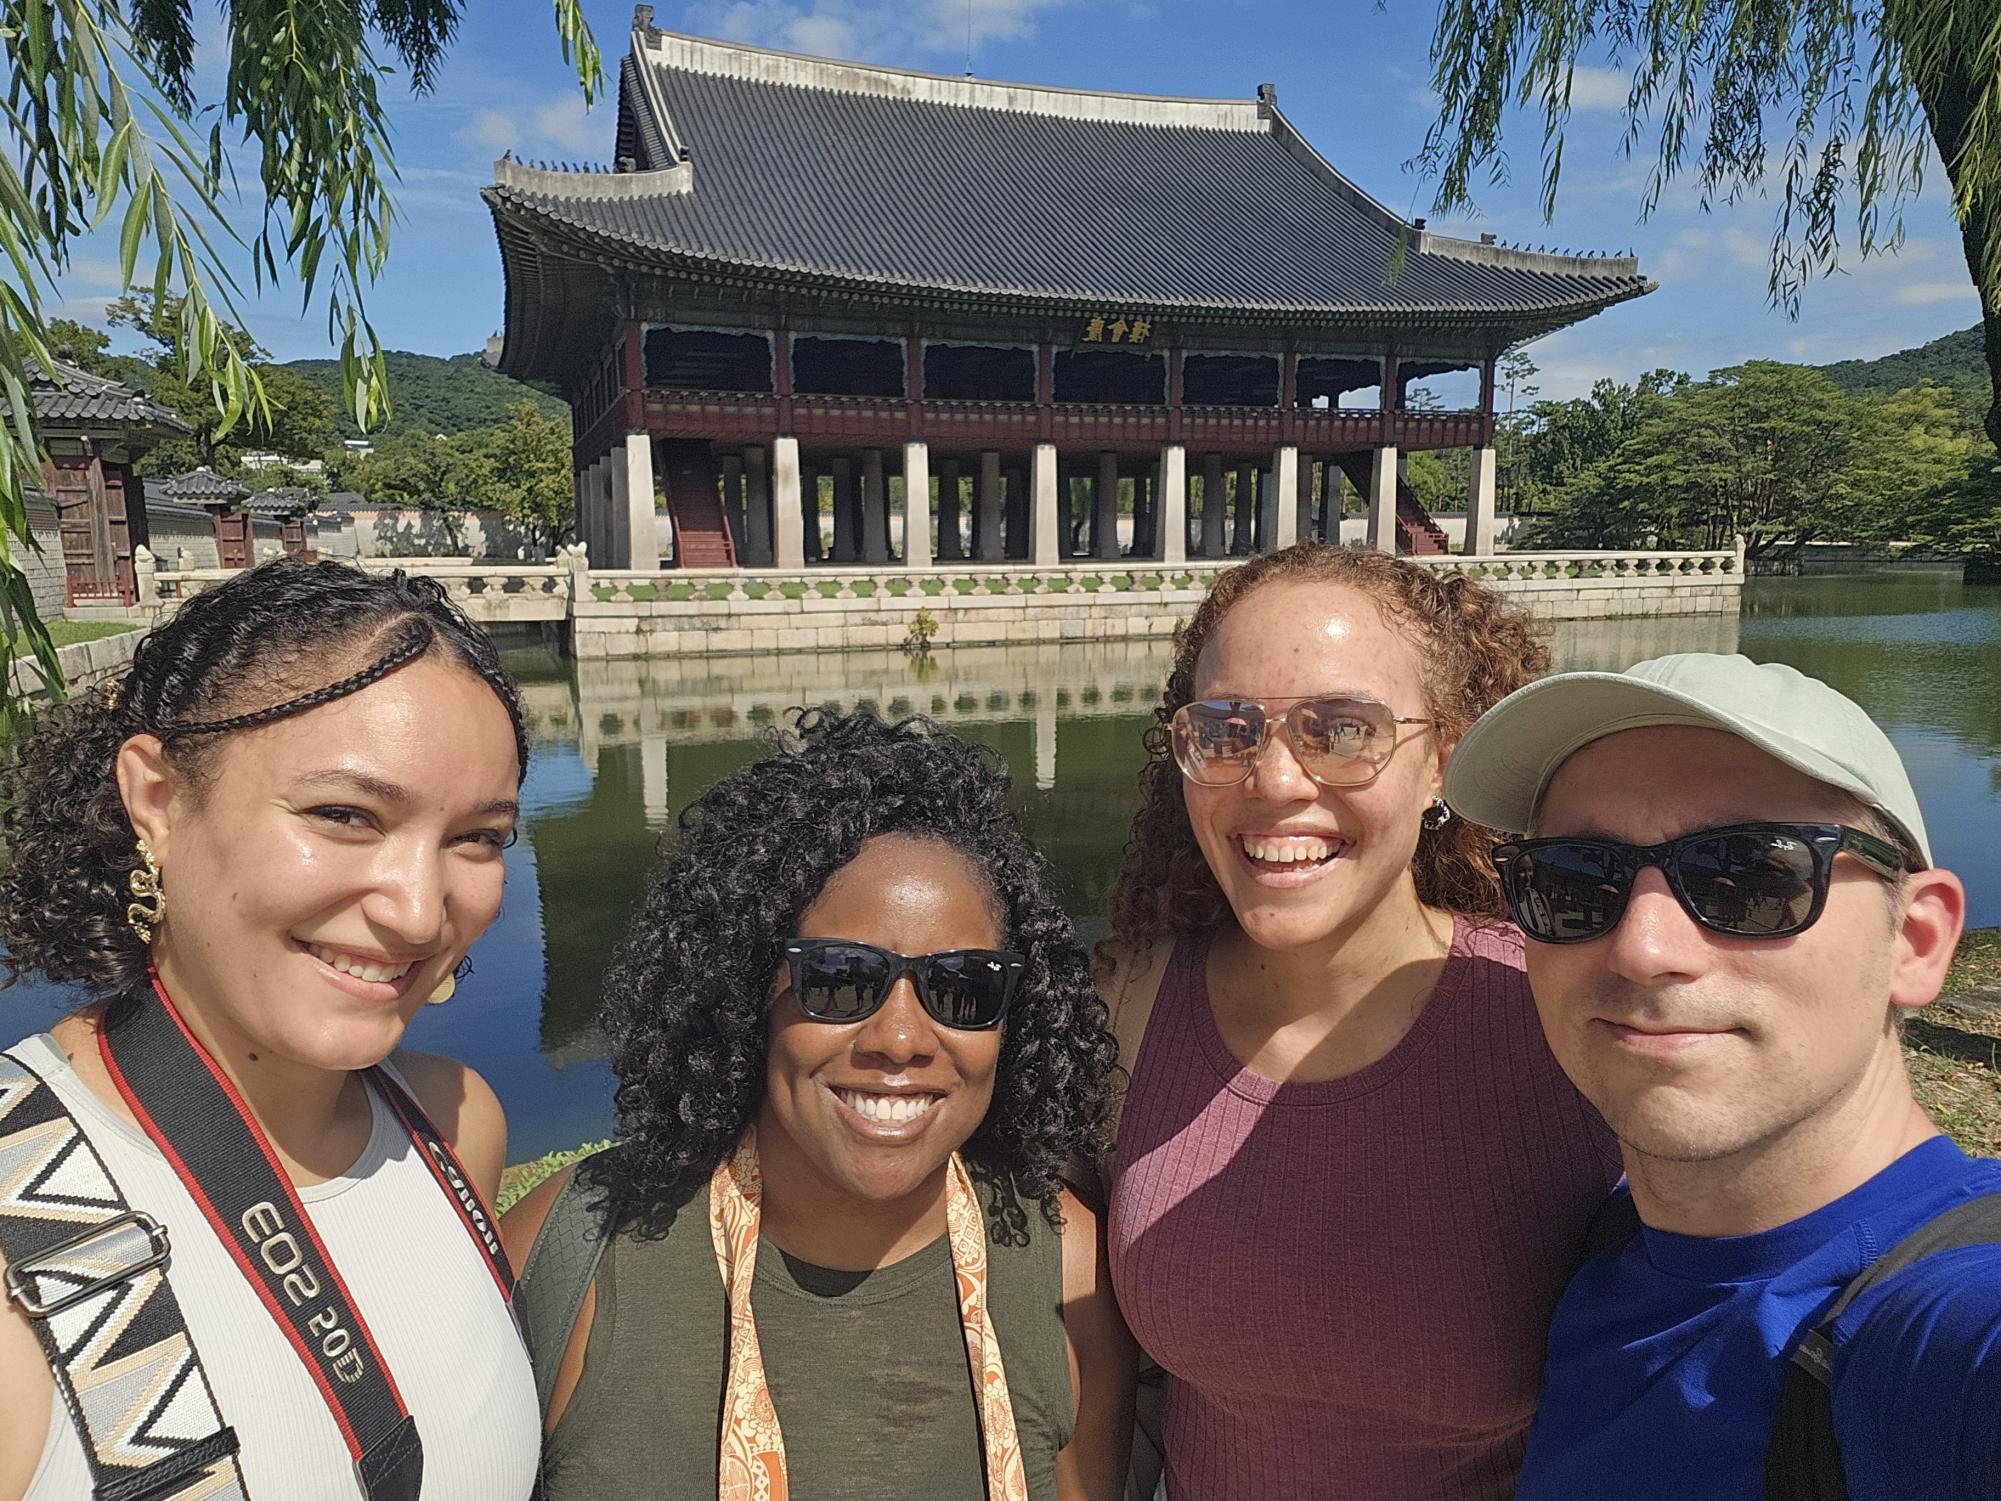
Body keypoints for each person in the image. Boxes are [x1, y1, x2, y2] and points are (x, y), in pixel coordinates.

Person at [0, 559, 540, 1501]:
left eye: (478, 837)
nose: (419, 913)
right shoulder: (22, 1212)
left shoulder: (454, 1128)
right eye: (343, 815)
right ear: (158, 803)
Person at [502, 709, 1136, 1500]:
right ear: (745, 989)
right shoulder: (574, 1250)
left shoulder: (1066, 1269)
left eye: (962, 987)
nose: (901, 1038)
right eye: (839, 979)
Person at [1097, 541, 1621, 1499]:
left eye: (1340, 729)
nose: (1274, 780)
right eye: (1226, 729)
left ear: (1443, 763)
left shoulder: (1554, 1014)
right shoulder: (1131, 1001)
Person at [1444, 652, 1999, 1500]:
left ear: (1915, 941)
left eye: (1747, 875)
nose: (1642, 947)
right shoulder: (1605, 1253)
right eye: (1574, 879)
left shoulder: (1945, 1330)